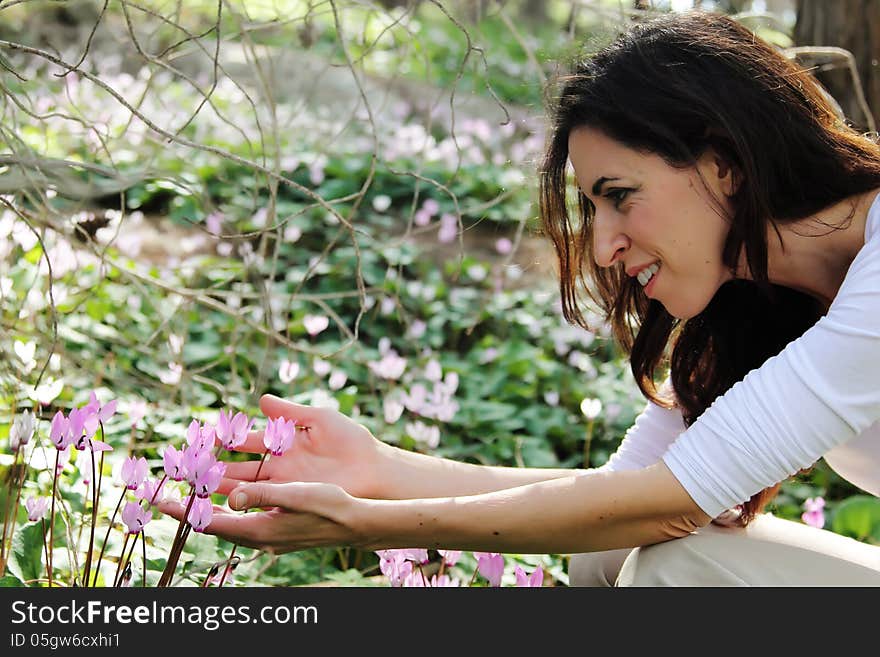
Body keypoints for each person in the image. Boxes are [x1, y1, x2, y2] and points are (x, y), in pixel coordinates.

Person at [160, 11, 880, 585]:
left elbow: (669, 503)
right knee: (604, 552)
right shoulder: (770, 301)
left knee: (682, 561)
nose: (604, 248)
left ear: (723, 163)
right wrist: (380, 473)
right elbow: (621, 492)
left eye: (620, 198)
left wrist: (372, 524)